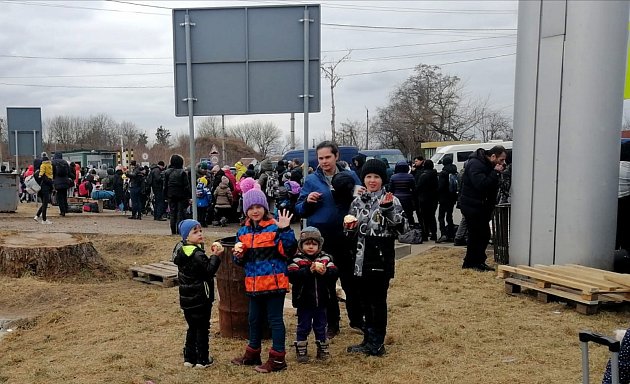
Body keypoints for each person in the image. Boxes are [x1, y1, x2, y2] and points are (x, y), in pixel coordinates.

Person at [295, 141, 363, 339]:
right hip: (323, 238)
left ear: (336, 156)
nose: (324, 161)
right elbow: (298, 209)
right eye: (321, 158)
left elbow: (361, 199)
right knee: (327, 282)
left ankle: (357, 320)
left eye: (328, 157)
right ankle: (332, 324)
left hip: (346, 236)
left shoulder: (350, 176)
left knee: (350, 281)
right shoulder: (311, 180)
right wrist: (308, 202)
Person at [231, 186, 296, 373]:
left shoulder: (275, 228)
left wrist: (286, 230)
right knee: (253, 319)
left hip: (274, 284)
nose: (255, 210)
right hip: (253, 284)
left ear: (265, 208)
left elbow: (289, 252)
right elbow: (239, 261)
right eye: (251, 207)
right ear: (246, 211)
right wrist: (238, 255)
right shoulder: (242, 232)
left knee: (275, 320)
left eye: (259, 206)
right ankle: (252, 354)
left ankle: (277, 359)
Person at [344, 159, 405, 356]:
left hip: (379, 256)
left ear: (382, 179)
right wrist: (348, 229)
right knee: (364, 301)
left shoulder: (391, 200)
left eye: (376, 177)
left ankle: (377, 343)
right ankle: (367, 340)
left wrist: (387, 210)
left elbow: (402, 229)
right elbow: (350, 229)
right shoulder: (358, 201)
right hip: (359, 257)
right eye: (368, 176)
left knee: (377, 301)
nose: (372, 180)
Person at [172, 219, 222, 368]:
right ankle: (202, 359)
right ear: (186, 236)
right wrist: (215, 256)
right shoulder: (197, 254)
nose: (200, 234)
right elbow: (209, 271)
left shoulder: (182, 252)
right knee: (202, 328)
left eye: (200, 231)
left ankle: (189, 358)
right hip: (201, 298)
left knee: (192, 327)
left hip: (187, 300)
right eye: (195, 232)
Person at [287, 227, 338, 362]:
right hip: (304, 301)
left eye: (314, 244)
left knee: (321, 326)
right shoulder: (297, 260)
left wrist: (325, 272)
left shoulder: (326, 259)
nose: (310, 247)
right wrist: (308, 271)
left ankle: (322, 349)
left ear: (319, 245)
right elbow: (292, 276)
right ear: (301, 245)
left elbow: (334, 273)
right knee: (303, 326)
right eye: (307, 244)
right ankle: (301, 349)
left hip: (322, 301)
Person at [459, 146, 506, 271]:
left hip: (481, 205)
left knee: (482, 235)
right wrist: (495, 173)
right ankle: (471, 262)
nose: (503, 163)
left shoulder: (484, 164)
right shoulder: (476, 164)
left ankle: (477, 261)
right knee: (477, 235)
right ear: (493, 156)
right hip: (473, 206)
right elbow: (481, 185)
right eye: (501, 160)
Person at [163, 154, 190, 235]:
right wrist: (188, 196)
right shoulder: (183, 172)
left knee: (172, 213)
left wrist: (165, 196)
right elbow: (186, 186)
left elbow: (165, 186)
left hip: (171, 195)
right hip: (181, 195)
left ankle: (173, 231)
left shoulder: (167, 172)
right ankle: (179, 231)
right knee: (180, 213)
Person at [436, 156, 458, 243]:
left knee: (441, 216)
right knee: (449, 216)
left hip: (444, 198)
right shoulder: (454, 171)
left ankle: (443, 234)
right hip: (452, 197)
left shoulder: (443, 173)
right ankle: (451, 235)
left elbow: (441, 187)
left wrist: (437, 193)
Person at [416, 159, 439, 241]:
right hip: (434, 199)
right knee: (432, 217)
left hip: (424, 199)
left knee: (424, 218)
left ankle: (425, 234)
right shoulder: (435, 175)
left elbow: (418, 187)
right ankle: (434, 234)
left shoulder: (424, 175)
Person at [389, 160, 416, 227]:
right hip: (408, 198)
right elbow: (414, 188)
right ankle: (411, 227)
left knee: (397, 213)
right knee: (409, 214)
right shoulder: (410, 176)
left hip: (396, 198)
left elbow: (391, 189)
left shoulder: (393, 177)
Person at [34, 152, 54, 224]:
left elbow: (41, 176)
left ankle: (37, 215)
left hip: (40, 188)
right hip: (45, 188)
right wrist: (51, 184)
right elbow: (48, 181)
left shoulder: (37, 172)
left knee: (44, 203)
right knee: (45, 204)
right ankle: (44, 220)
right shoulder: (46, 175)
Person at [51, 152, 71, 217]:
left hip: (57, 181)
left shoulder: (53, 162)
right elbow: (69, 172)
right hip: (65, 181)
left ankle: (62, 211)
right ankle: (66, 209)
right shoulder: (65, 162)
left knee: (59, 197)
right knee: (64, 196)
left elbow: (52, 172)